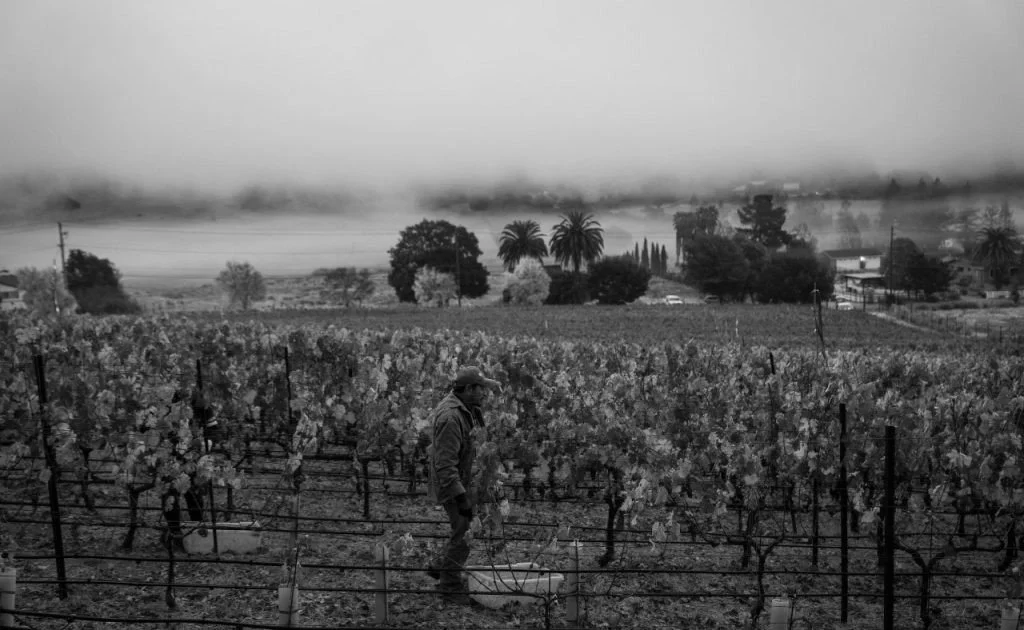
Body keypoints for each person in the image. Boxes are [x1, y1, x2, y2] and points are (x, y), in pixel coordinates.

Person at [426, 366, 501, 604]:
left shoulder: (466, 405)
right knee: (465, 530)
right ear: (468, 389)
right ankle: (449, 586)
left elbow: (477, 438)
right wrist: (462, 498)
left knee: (464, 529)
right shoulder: (450, 418)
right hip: (453, 483)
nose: (484, 393)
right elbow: (445, 465)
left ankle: (440, 564)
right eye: (480, 389)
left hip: (466, 477)